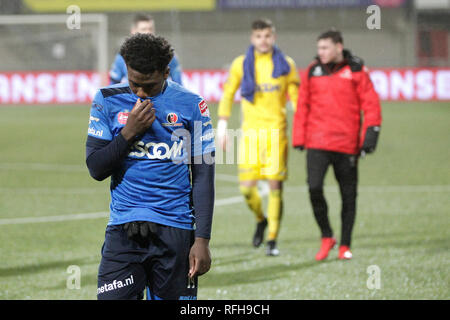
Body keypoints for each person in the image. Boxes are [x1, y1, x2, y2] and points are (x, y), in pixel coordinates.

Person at [86, 33, 215, 299]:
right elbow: (96, 168)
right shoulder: (107, 100)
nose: (142, 94)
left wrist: (202, 240)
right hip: (124, 230)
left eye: (150, 86)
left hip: (176, 231)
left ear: (167, 72)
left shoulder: (193, 105)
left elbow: (203, 175)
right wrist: (127, 133)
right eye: (135, 84)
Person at [292, 29, 382, 261]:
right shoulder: (313, 70)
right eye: (319, 48)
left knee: (348, 195)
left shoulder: (356, 69)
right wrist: (299, 137)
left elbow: (370, 104)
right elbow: (303, 105)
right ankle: (326, 236)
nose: (320, 52)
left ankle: (345, 245)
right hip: (317, 142)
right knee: (313, 188)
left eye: (324, 48)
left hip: (346, 143)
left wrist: (370, 135)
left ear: (338, 47)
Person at [217, 18, 299, 256]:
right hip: (250, 135)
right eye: (259, 36)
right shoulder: (241, 64)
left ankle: (272, 238)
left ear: (274, 37)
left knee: (275, 187)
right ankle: (260, 219)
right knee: (246, 190)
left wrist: (304, 120)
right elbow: (227, 94)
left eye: (268, 36)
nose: (263, 41)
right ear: (252, 38)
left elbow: (296, 97)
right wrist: (222, 125)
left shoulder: (286, 64)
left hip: (276, 133)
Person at [109, 13, 183, 86]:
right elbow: (113, 84)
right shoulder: (122, 56)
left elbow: (178, 84)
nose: (148, 32)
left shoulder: (167, 54)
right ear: (133, 31)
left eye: (150, 29)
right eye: (144, 29)